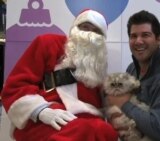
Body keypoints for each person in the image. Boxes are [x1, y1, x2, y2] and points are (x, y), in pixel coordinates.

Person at [1, 9, 118, 141]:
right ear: (75, 28)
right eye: (85, 27)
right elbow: (16, 85)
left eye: (96, 31)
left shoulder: (98, 66)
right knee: (83, 129)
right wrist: (41, 111)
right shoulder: (48, 43)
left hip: (87, 121)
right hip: (47, 118)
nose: (89, 34)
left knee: (106, 132)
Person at [106, 10, 160, 141]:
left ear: (158, 39)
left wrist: (124, 104)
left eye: (145, 35)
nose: (138, 41)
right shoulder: (131, 69)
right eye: (133, 36)